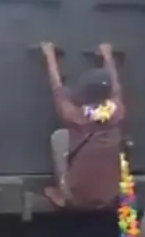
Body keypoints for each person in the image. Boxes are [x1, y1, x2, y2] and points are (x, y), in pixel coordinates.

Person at [40, 42, 126, 209]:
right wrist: (108, 57)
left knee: (59, 137)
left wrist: (50, 57)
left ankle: (63, 191)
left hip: (78, 197)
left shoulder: (76, 116)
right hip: (110, 194)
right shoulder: (117, 111)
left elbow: (57, 88)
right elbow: (116, 87)